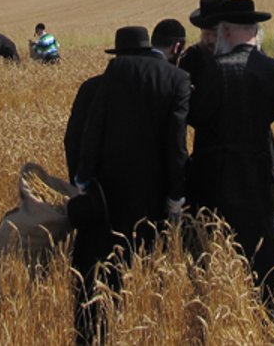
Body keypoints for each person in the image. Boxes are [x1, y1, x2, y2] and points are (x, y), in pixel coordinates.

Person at [71, 26, 191, 344]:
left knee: (95, 276)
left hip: (105, 198)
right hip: (152, 200)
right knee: (150, 273)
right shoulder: (174, 79)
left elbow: (84, 137)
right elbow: (176, 147)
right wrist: (176, 197)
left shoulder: (106, 79)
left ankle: (94, 335)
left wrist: (82, 183)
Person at [188, 0, 274, 300]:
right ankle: (269, 288)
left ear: (228, 32)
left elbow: (197, 115)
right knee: (262, 225)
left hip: (222, 167)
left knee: (227, 231)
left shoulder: (216, 69)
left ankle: (231, 289)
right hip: (261, 159)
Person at [176, 0, 227, 74]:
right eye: (206, 33)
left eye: (215, 33)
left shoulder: (241, 56)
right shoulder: (191, 57)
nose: (210, 39)